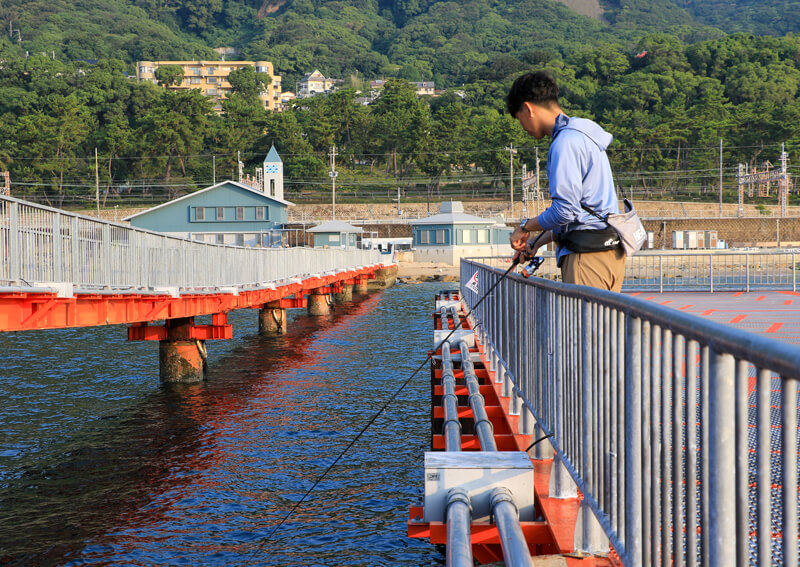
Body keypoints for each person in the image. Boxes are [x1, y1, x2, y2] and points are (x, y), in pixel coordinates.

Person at [506, 71, 625, 292]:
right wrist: (535, 242)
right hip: (608, 252)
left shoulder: (565, 143)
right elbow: (580, 212)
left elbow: (564, 212)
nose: (521, 126)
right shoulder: (583, 133)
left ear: (528, 109)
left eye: (518, 117)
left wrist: (524, 227)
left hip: (586, 258)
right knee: (602, 327)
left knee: (587, 326)